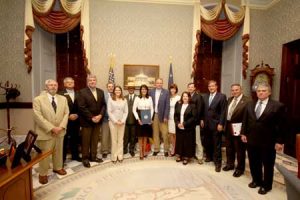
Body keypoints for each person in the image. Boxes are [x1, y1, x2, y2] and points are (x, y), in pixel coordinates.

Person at [241, 83, 285, 195]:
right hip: (252, 139)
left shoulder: (277, 106)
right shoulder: (250, 104)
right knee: (253, 162)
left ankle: (266, 185)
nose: (261, 92)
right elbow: (245, 120)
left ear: (269, 92)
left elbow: (282, 125)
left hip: (268, 141)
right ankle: (256, 180)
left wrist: (280, 141)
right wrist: (243, 133)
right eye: (259, 91)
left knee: (268, 164)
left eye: (264, 90)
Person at [33, 79, 69, 184]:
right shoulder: (38, 100)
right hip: (46, 132)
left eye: (55, 85)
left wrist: (61, 127)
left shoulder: (63, 99)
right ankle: (43, 174)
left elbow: (66, 113)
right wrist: (52, 128)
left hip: (60, 132)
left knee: (58, 151)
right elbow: (38, 117)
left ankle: (57, 167)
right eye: (51, 85)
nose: (53, 87)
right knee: (45, 155)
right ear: (46, 87)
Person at [77, 75, 105, 168]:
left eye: (94, 80)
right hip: (87, 122)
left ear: (96, 81)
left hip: (98, 121)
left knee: (95, 140)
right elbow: (81, 107)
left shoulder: (101, 92)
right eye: (90, 80)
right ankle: (85, 158)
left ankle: (93, 156)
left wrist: (100, 115)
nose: (92, 81)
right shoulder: (82, 92)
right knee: (86, 141)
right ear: (87, 82)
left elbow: (103, 105)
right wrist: (92, 117)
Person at [223, 84, 251, 177]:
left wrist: (244, 131)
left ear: (241, 90)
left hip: (239, 128)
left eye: (236, 90)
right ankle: (230, 164)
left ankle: (240, 168)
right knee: (229, 147)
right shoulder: (230, 99)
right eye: (233, 90)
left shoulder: (247, 101)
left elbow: (247, 118)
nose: (234, 92)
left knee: (239, 149)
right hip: (228, 127)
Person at [201, 80, 227, 172]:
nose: (211, 88)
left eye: (212, 86)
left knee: (217, 144)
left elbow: (223, 111)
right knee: (207, 142)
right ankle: (209, 157)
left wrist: (221, 123)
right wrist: (202, 119)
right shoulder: (205, 96)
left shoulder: (222, 96)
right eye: (209, 86)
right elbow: (203, 110)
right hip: (206, 124)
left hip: (216, 124)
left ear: (216, 87)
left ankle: (218, 163)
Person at [58, 77, 81, 162]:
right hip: (65, 121)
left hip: (76, 120)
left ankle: (75, 156)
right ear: (64, 84)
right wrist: (68, 116)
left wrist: (77, 115)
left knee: (75, 138)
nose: (70, 83)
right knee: (64, 140)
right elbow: (58, 109)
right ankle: (62, 159)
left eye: (72, 82)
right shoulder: (60, 94)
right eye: (68, 82)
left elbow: (81, 106)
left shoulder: (79, 93)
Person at [174, 91, 197, 165]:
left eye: (186, 96)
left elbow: (193, 117)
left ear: (189, 97)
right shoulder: (178, 105)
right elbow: (175, 115)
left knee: (187, 143)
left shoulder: (192, 106)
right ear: (182, 97)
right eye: (183, 96)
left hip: (188, 128)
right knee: (180, 142)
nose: (185, 97)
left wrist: (184, 124)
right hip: (179, 127)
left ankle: (186, 157)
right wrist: (177, 123)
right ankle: (179, 155)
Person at [149, 78, 170, 157]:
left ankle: (166, 149)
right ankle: (156, 149)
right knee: (155, 133)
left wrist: (166, 116)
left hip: (163, 115)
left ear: (162, 84)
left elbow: (167, 105)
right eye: (157, 83)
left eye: (160, 83)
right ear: (155, 84)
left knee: (164, 133)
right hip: (154, 115)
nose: (159, 84)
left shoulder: (166, 92)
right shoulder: (151, 92)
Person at [107, 85, 128, 163]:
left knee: (120, 140)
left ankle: (120, 156)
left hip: (122, 122)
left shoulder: (124, 100)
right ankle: (114, 156)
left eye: (119, 90)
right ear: (114, 91)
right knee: (114, 140)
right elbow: (109, 111)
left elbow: (126, 111)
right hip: (113, 122)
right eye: (116, 90)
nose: (117, 91)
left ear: (121, 91)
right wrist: (115, 121)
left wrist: (122, 120)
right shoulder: (110, 99)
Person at [133, 84, 154, 159]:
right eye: (142, 89)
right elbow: (134, 110)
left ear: (147, 90)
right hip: (140, 118)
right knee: (140, 136)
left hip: (147, 118)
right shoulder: (137, 98)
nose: (143, 90)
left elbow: (152, 109)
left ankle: (144, 151)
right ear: (140, 90)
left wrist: (150, 119)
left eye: (145, 89)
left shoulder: (150, 98)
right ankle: (141, 152)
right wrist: (138, 119)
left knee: (145, 136)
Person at [187, 82, 204, 164]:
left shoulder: (198, 96)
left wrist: (199, 120)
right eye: (189, 87)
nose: (190, 88)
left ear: (194, 88)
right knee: (190, 140)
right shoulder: (187, 96)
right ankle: (192, 154)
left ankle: (200, 156)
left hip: (195, 122)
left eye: (192, 87)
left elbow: (200, 109)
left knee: (197, 140)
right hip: (188, 122)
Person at [101, 82, 114, 158]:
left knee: (112, 135)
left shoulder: (116, 94)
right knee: (105, 135)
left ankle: (111, 149)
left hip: (114, 119)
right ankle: (104, 150)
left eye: (112, 86)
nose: (111, 88)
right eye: (109, 86)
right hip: (105, 118)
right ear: (107, 87)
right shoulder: (103, 95)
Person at [124, 85, 137, 157]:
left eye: (132, 88)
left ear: (134, 89)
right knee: (125, 136)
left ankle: (131, 149)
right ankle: (125, 149)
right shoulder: (124, 97)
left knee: (133, 136)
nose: (131, 90)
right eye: (130, 88)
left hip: (134, 120)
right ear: (128, 90)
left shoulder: (137, 97)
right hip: (125, 120)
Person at [168, 84, 181, 156]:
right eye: (171, 89)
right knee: (171, 134)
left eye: (174, 89)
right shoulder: (169, 97)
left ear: (176, 90)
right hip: (169, 117)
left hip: (176, 118)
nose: (172, 90)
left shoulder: (179, 98)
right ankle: (173, 148)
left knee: (176, 134)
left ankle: (176, 149)